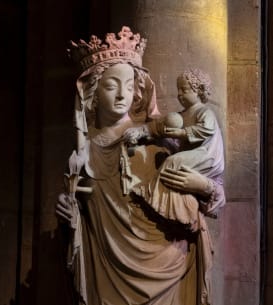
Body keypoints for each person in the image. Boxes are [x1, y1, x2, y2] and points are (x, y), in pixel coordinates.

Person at [56, 28, 226, 305]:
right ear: (93, 94)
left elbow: (215, 202)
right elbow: (81, 221)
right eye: (112, 86)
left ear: (138, 91)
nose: (123, 94)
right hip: (107, 269)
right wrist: (68, 209)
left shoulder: (153, 140)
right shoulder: (83, 154)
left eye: (129, 85)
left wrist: (203, 186)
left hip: (167, 266)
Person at [123, 69, 224, 231]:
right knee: (171, 162)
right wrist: (142, 131)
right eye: (178, 90)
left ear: (198, 91)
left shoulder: (205, 112)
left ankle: (153, 197)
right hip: (193, 155)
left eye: (184, 90)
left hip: (207, 155)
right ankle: (159, 199)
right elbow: (160, 125)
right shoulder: (181, 115)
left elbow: (206, 130)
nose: (179, 95)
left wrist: (182, 133)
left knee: (172, 161)